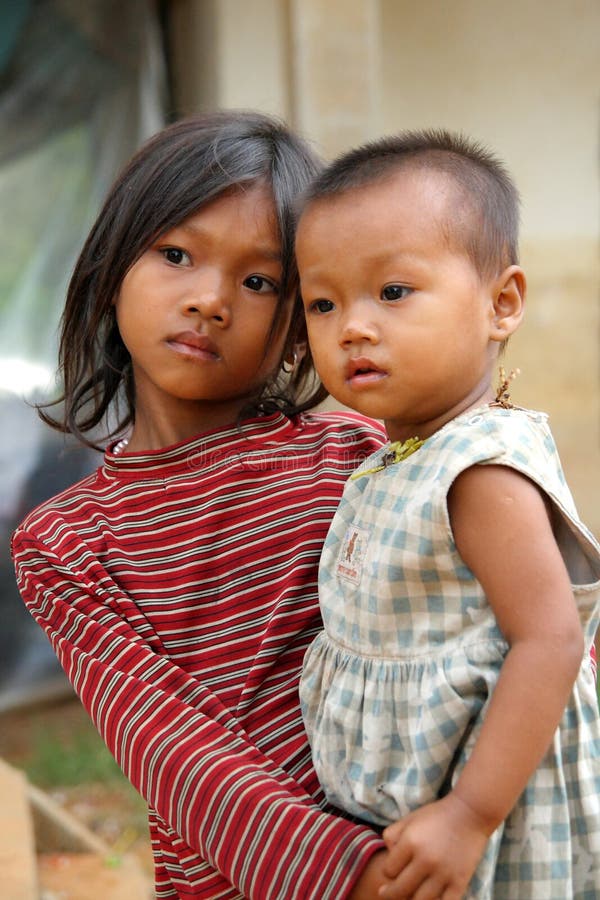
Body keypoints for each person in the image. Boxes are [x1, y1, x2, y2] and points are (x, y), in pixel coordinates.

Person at [11, 111, 398, 898]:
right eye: (177, 254)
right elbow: (176, 756)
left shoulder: (354, 460)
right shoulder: (65, 544)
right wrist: (357, 880)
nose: (211, 300)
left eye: (259, 281)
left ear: (299, 326)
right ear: (113, 267)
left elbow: (499, 623)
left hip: (430, 857)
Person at [296, 129, 600, 898]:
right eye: (323, 303)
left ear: (502, 304)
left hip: (496, 812)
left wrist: (469, 813)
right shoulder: (393, 458)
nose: (353, 326)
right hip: (413, 807)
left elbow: (550, 640)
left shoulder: (479, 471)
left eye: (393, 292)